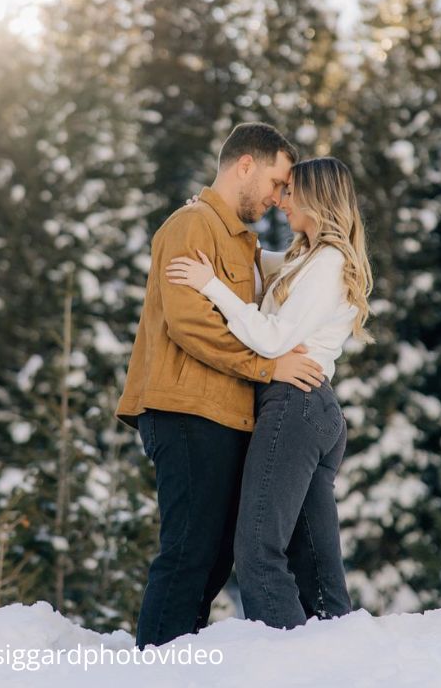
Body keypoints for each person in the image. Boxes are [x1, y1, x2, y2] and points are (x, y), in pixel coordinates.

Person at [115, 122, 329, 649]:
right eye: (279, 182)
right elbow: (190, 324)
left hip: (224, 414)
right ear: (246, 165)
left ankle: (179, 656)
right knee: (190, 550)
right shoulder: (193, 225)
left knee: (211, 557)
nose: (281, 196)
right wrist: (267, 369)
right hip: (187, 412)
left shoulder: (241, 243)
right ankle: (156, 665)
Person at [166, 156, 373, 630]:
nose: (281, 201)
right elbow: (252, 262)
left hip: (295, 407)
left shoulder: (328, 262)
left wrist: (210, 287)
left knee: (258, 549)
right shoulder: (306, 259)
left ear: (317, 199)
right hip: (309, 410)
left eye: (291, 192)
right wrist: (209, 213)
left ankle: (284, 665)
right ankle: (340, 661)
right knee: (316, 568)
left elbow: (274, 339)